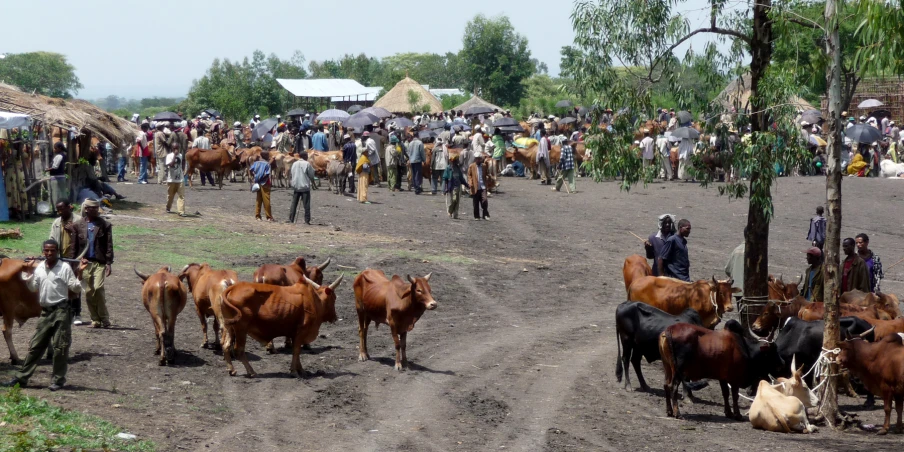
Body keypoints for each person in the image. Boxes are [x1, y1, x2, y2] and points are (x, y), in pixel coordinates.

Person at [1, 240, 86, 391]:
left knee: (60, 347)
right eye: (46, 251)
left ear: (57, 251)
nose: (49, 253)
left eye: (52, 250)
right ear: (43, 252)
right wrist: (27, 273)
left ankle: (58, 381)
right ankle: (22, 378)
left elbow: (75, 288)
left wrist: (80, 274)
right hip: (45, 312)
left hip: (61, 311)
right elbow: (33, 287)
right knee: (35, 346)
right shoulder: (40, 268)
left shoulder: (64, 268)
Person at [73, 199, 113, 328]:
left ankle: (104, 318)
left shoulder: (105, 225)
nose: (96, 210)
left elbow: (109, 245)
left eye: (97, 208)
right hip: (85, 263)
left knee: (98, 288)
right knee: (89, 292)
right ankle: (95, 319)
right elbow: (74, 246)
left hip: (99, 263)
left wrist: (108, 263)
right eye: (92, 208)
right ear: (86, 209)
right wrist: (76, 263)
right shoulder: (78, 225)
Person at [49, 201, 83, 325]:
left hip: (75, 258)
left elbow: (85, 239)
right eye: (58, 210)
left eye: (62, 209)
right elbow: (52, 239)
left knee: (74, 285)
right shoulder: (57, 222)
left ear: (70, 207)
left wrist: (73, 231)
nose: (60, 212)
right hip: (60, 258)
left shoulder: (79, 221)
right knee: (60, 284)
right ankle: (63, 312)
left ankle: (77, 313)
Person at [288, 152, 316, 225]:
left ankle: (291, 219)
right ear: (305, 156)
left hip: (296, 186)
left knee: (294, 203)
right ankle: (307, 220)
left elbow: (292, 173)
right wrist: (312, 181)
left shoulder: (294, 164)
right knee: (306, 204)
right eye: (307, 156)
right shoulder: (307, 164)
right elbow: (311, 175)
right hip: (304, 187)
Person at [467, 152, 492, 220]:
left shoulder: (484, 166)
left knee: (484, 200)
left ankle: (485, 214)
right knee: (476, 203)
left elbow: (486, 173)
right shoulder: (471, 166)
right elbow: (469, 175)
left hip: (483, 186)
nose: (478, 160)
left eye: (479, 159)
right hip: (475, 187)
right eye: (476, 159)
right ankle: (477, 216)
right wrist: (470, 182)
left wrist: (488, 178)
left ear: (481, 159)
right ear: (475, 159)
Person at [164, 145, 186, 217]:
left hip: (180, 179)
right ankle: (168, 207)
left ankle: (181, 211)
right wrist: (174, 156)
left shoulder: (181, 155)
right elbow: (170, 165)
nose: (176, 150)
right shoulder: (169, 156)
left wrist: (183, 169)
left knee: (181, 196)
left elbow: (182, 162)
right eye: (174, 148)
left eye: (177, 148)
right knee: (170, 196)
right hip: (171, 180)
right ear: (172, 149)